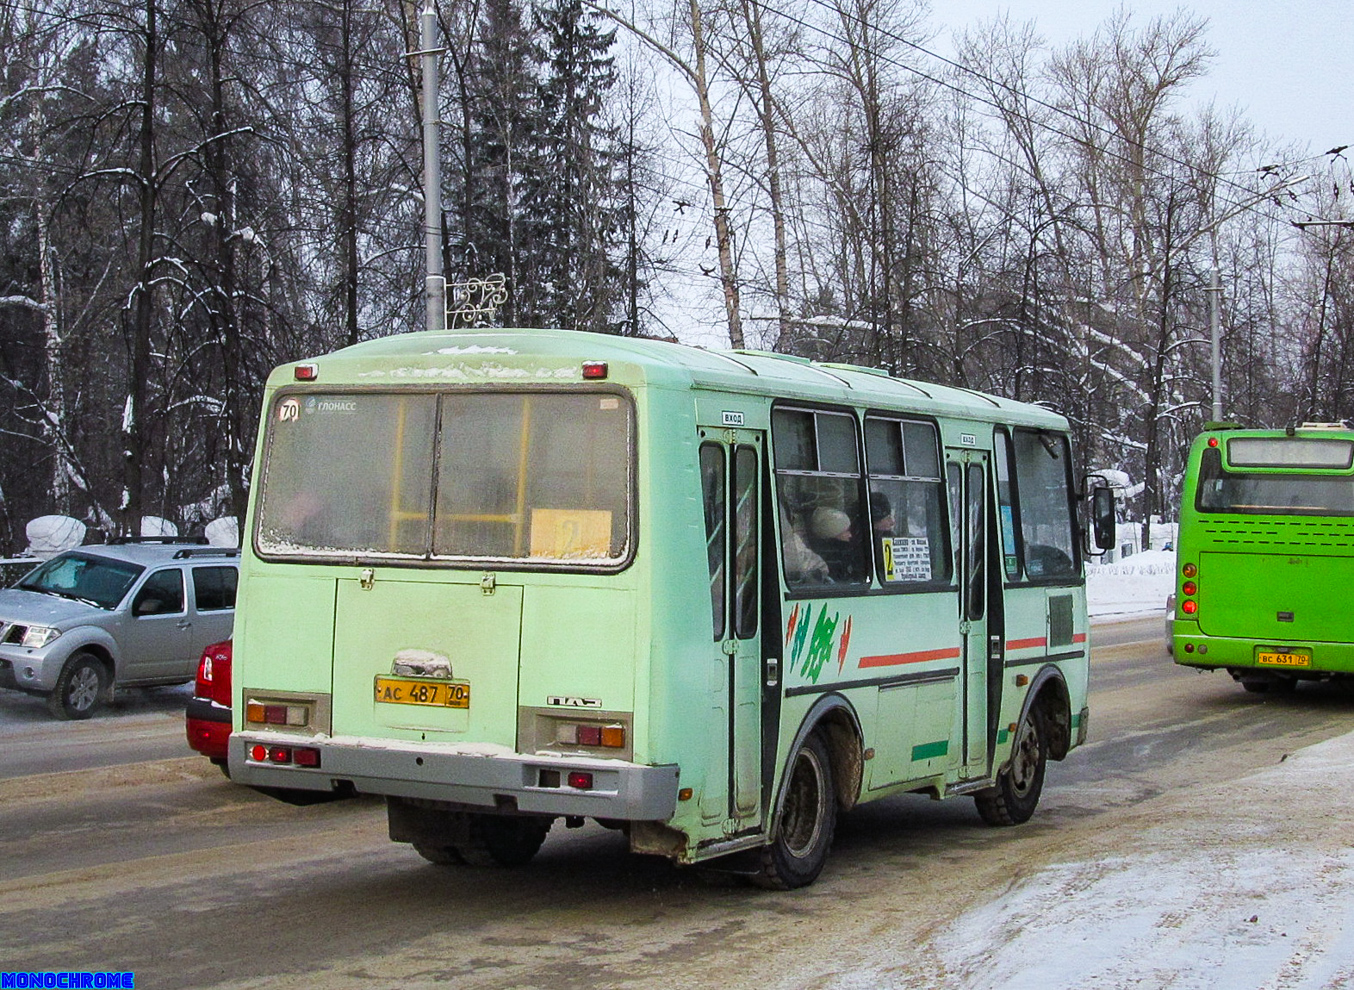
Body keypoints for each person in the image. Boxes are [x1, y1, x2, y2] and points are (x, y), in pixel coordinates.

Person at [808, 506, 862, 581]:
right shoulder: (831, 557)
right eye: (845, 531)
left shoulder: (842, 548)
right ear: (832, 535)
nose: (850, 535)